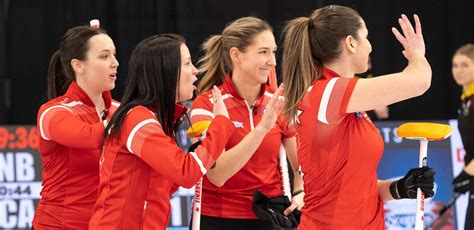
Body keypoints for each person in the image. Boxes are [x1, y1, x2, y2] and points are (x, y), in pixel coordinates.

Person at [89, 33, 275, 229]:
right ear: (166, 71)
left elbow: (167, 184)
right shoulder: (137, 119)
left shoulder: (156, 119)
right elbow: (186, 173)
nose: (195, 71)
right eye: (187, 64)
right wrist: (221, 124)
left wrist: (200, 154)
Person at [281, 5, 436, 229]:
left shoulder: (343, 101)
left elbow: (353, 187)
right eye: (366, 37)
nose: (370, 46)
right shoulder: (330, 91)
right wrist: (416, 55)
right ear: (351, 43)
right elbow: (419, 81)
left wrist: (401, 188)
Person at [190, 16, 302, 229]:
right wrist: (262, 128)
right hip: (219, 218)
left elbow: (302, 166)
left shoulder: (279, 101)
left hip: (269, 216)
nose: (273, 61)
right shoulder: (207, 104)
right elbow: (217, 174)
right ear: (236, 55)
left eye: (274, 52)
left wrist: (300, 192)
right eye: (263, 52)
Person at [33, 25, 119, 229]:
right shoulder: (53, 112)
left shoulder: (118, 110)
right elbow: (89, 136)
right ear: (78, 65)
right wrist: (134, 118)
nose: (115, 63)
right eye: (104, 56)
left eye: (114, 55)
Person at [451, 43, 474, 230]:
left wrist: (467, 173)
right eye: (455, 65)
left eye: (465, 65)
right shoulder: (466, 98)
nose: (458, 70)